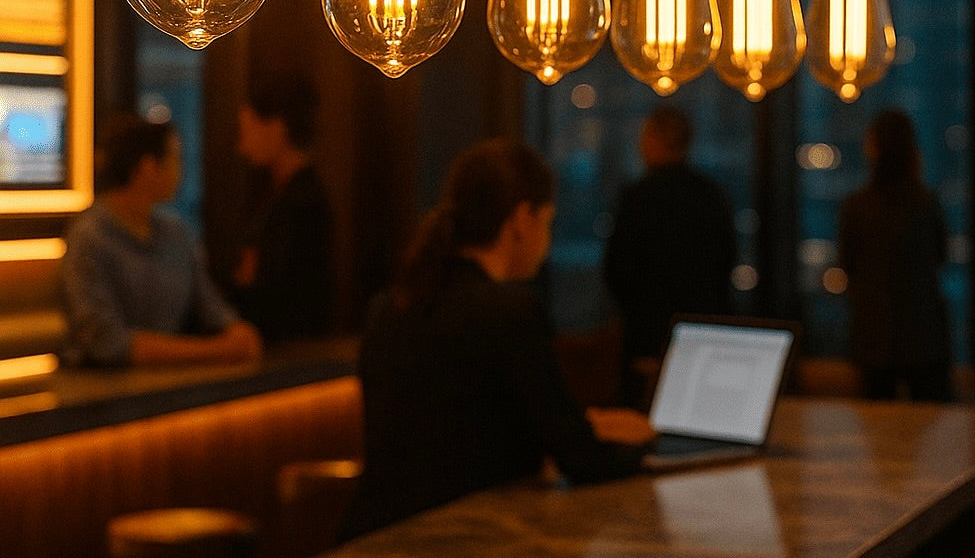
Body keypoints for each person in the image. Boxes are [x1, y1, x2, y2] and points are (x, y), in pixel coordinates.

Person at [340, 138, 653, 542]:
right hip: (456, 543)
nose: (547, 236)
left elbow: (463, 430)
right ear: (522, 219)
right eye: (548, 220)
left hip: (372, 539)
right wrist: (646, 445)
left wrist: (582, 426)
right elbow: (581, 459)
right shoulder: (509, 311)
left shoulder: (388, 306)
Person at [60, 113, 263, 367]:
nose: (181, 169)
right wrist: (215, 350)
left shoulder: (176, 233)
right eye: (175, 158)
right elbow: (106, 342)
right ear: (148, 167)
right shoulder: (90, 239)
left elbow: (213, 309)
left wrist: (239, 332)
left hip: (169, 383)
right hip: (98, 391)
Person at [603, 106, 736, 408]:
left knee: (644, 420)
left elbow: (616, 271)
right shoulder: (711, 196)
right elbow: (726, 262)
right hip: (705, 333)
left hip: (648, 337)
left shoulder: (638, 198)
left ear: (654, 141)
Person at [838, 108, 953, 401]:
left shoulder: (857, 207)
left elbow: (847, 265)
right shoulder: (926, 203)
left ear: (874, 148)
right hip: (924, 336)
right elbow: (941, 257)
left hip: (874, 337)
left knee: (877, 433)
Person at [234, 72, 336, 344]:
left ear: (276, 128)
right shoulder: (290, 196)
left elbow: (276, 293)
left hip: (287, 347)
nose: (241, 146)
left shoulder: (300, 203)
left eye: (246, 130)